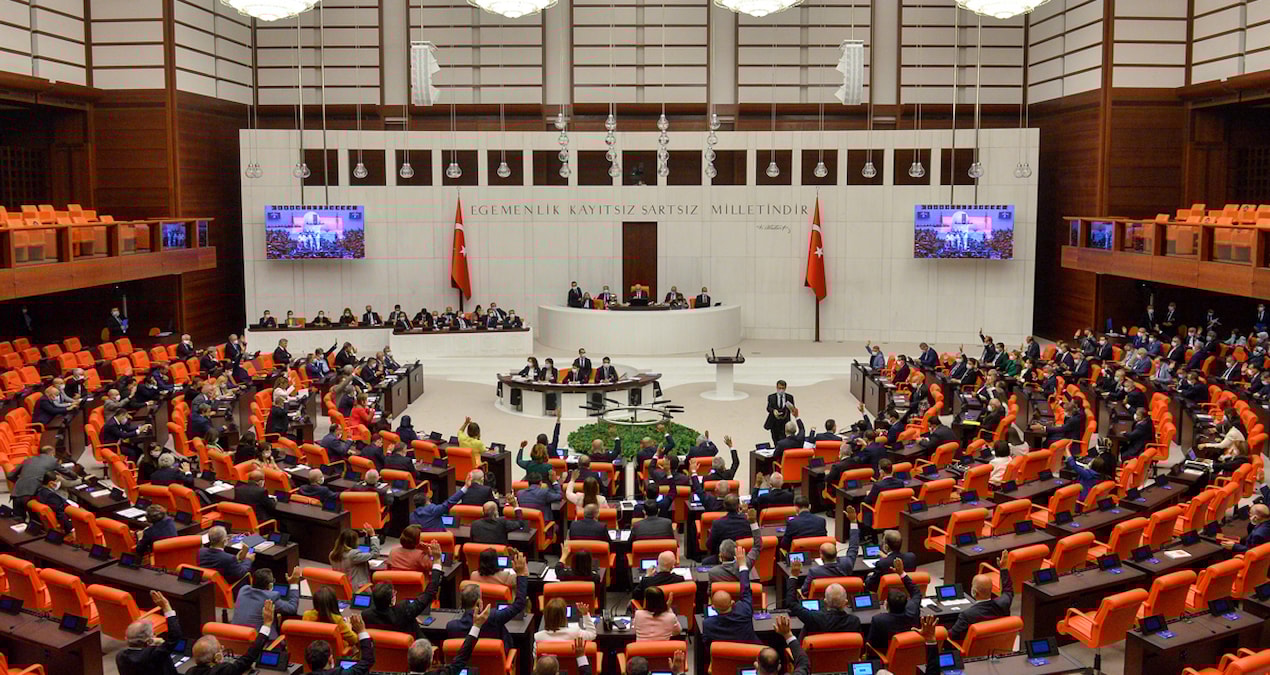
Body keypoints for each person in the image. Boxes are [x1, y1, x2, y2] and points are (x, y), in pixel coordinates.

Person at [447, 551, 529, 648]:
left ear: (461, 602)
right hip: (497, 657)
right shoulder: (494, 617)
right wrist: (521, 574)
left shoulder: (451, 626)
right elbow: (519, 604)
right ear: (479, 603)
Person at [363, 541, 444, 636]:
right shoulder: (404, 611)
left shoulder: (366, 615)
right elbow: (429, 592)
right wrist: (437, 560)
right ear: (392, 598)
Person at [189, 598, 278, 675]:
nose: (223, 647)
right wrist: (267, 624)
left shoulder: (190, 671)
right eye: (220, 648)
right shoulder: (224, 671)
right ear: (217, 657)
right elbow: (249, 657)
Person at [701, 544, 759, 647]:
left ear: (713, 607)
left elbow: (707, 646)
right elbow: (746, 590)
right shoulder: (745, 611)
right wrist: (742, 565)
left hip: (723, 657)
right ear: (733, 603)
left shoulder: (708, 624)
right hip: (749, 654)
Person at [948, 552, 1013, 641]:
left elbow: (952, 635)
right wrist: (1004, 568)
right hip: (999, 643)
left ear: (974, 592)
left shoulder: (967, 615)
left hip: (974, 649)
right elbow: (1008, 590)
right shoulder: (1004, 603)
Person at [798, 506, 861, 593]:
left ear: (821, 556)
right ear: (836, 554)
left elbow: (805, 591)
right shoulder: (847, 563)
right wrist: (853, 522)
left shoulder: (814, 572)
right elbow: (854, 546)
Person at [115, 591, 178, 675]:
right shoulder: (153, 655)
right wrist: (166, 606)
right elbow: (175, 636)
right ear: (149, 641)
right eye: (153, 634)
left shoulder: (120, 656)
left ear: (126, 638)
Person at [867, 558, 923, 652]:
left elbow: (872, 644)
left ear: (887, 605)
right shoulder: (913, 609)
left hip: (887, 654)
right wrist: (902, 573)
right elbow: (916, 592)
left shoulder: (878, 620)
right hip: (911, 652)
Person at [786, 576, 861, 638]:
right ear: (846, 602)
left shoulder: (814, 618)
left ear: (825, 602)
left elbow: (791, 603)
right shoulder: (854, 621)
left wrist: (793, 576)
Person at [231, 568, 300, 632]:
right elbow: (292, 608)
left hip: (235, 634)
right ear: (270, 585)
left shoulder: (243, 590)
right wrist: (293, 584)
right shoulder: (270, 598)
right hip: (258, 638)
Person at [304, 586, 362, 658]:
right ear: (333, 602)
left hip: (314, 655)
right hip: (334, 656)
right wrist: (348, 627)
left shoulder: (307, 615)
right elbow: (354, 640)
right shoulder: (337, 619)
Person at [532, 598, 596, 659]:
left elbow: (536, 658)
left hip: (548, 667)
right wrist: (585, 614)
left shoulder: (537, 637)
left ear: (546, 616)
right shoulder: (575, 633)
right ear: (564, 616)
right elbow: (592, 634)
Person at [861, 459, 905, 529]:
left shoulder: (878, 486)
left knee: (862, 507)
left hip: (880, 516)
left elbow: (867, 501)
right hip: (896, 515)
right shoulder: (900, 483)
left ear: (881, 471)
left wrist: (868, 494)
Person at [705, 495, 753, 559]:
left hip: (724, 558)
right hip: (744, 557)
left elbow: (709, 545)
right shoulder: (748, 521)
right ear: (739, 505)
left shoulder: (717, 523)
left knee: (706, 562)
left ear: (724, 506)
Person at [764, 380, 796, 445]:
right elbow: (768, 408)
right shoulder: (771, 397)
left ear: (785, 388)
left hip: (785, 423)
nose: (781, 390)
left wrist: (791, 408)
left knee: (784, 441)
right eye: (779, 388)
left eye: (782, 388)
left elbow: (793, 409)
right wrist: (773, 411)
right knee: (775, 441)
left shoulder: (789, 397)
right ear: (776, 387)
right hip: (774, 423)